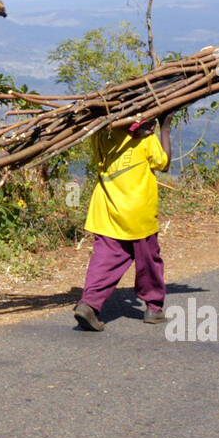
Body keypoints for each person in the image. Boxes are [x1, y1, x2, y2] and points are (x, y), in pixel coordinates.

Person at [72, 111, 172, 331]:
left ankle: (89, 304)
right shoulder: (144, 137)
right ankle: (153, 308)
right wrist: (165, 126)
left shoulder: (99, 135)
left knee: (104, 262)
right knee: (148, 262)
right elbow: (164, 164)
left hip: (107, 210)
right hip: (138, 212)